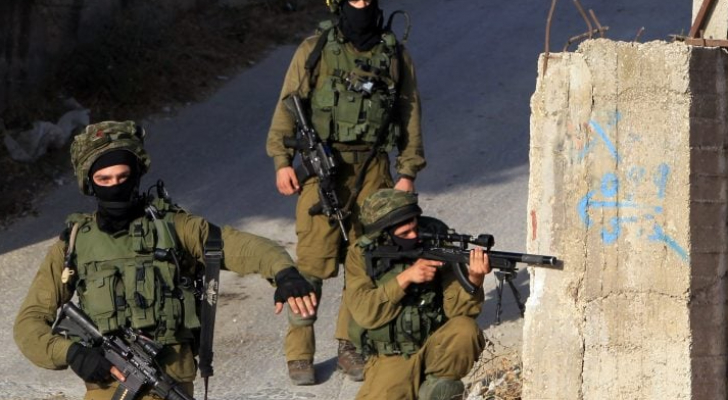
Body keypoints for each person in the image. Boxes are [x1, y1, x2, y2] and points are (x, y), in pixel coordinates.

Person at [13, 121, 318, 399]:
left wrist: (284, 272)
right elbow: (29, 322)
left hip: (171, 384)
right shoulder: (75, 243)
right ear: (89, 183)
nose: (115, 186)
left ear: (137, 176)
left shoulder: (174, 227)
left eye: (123, 177)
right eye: (104, 179)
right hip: (107, 389)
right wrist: (71, 353)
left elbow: (246, 247)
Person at [265, 0, 425, 385]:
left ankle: (350, 344)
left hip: (374, 170)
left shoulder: (395, 55)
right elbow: (287, 107)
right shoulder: (315, 49)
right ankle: (299, 353)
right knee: (312, 262)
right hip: (322, 168)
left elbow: (409, 116)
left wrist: (407, 172)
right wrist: (282, 161)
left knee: (366, 259)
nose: (362, 5)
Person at [345, 189, 490, 400]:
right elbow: (365, 312)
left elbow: (459, 312)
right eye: (405, 234)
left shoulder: (436, 244)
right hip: (392, 355)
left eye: (415, 228)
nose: (414, 236)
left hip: (435, 345)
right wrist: (405, 278)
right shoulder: (360, 255)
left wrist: (475, 279)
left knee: (464, 330)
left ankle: (436, 389)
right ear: (384, 235)